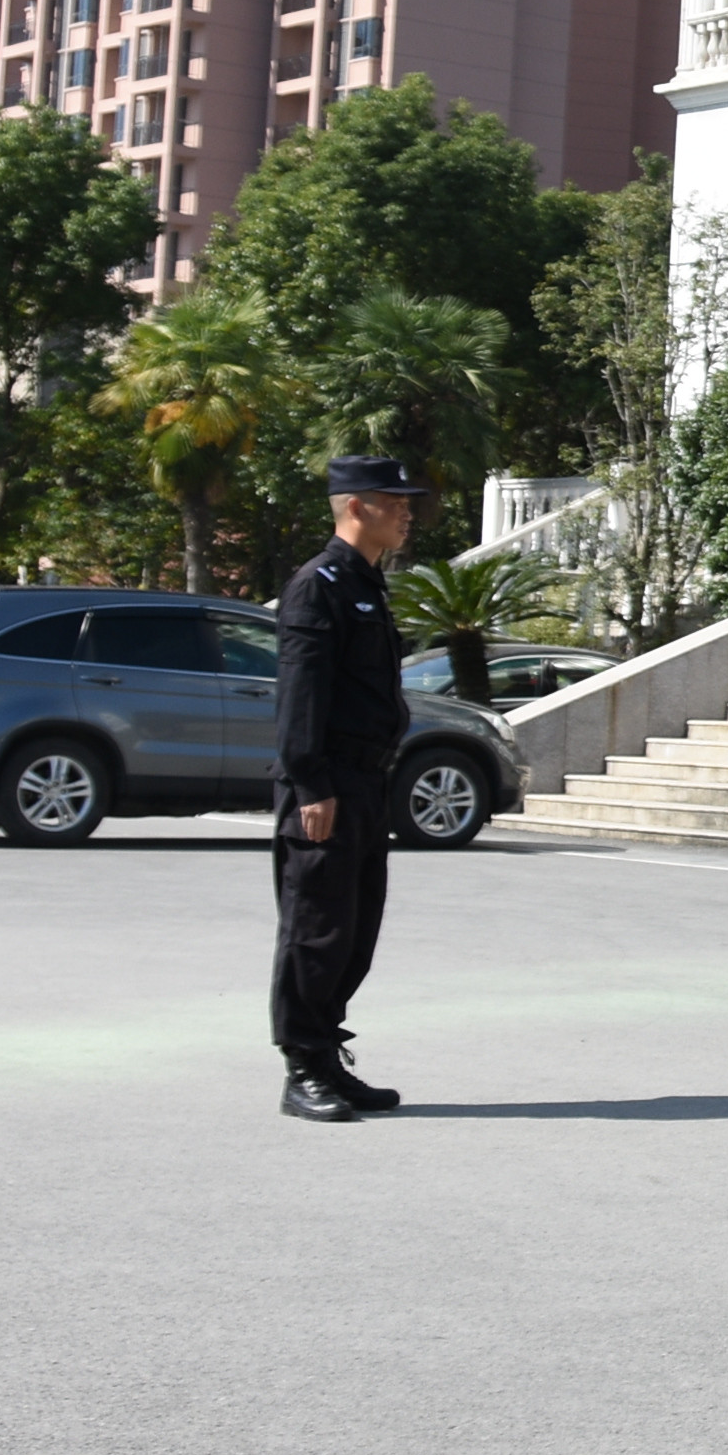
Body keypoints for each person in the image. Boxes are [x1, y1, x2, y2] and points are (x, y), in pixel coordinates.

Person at [272, 453, 421, 1124]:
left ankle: (328, 1053)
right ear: (356, 506)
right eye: (394, 501)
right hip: (326, 784)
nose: (407, 511)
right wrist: (311, 783)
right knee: (316, 928)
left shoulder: (364, 582)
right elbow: (301, 697)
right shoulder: (319, 584)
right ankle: (301, 1066)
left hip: (364, 781)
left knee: (355, 930)